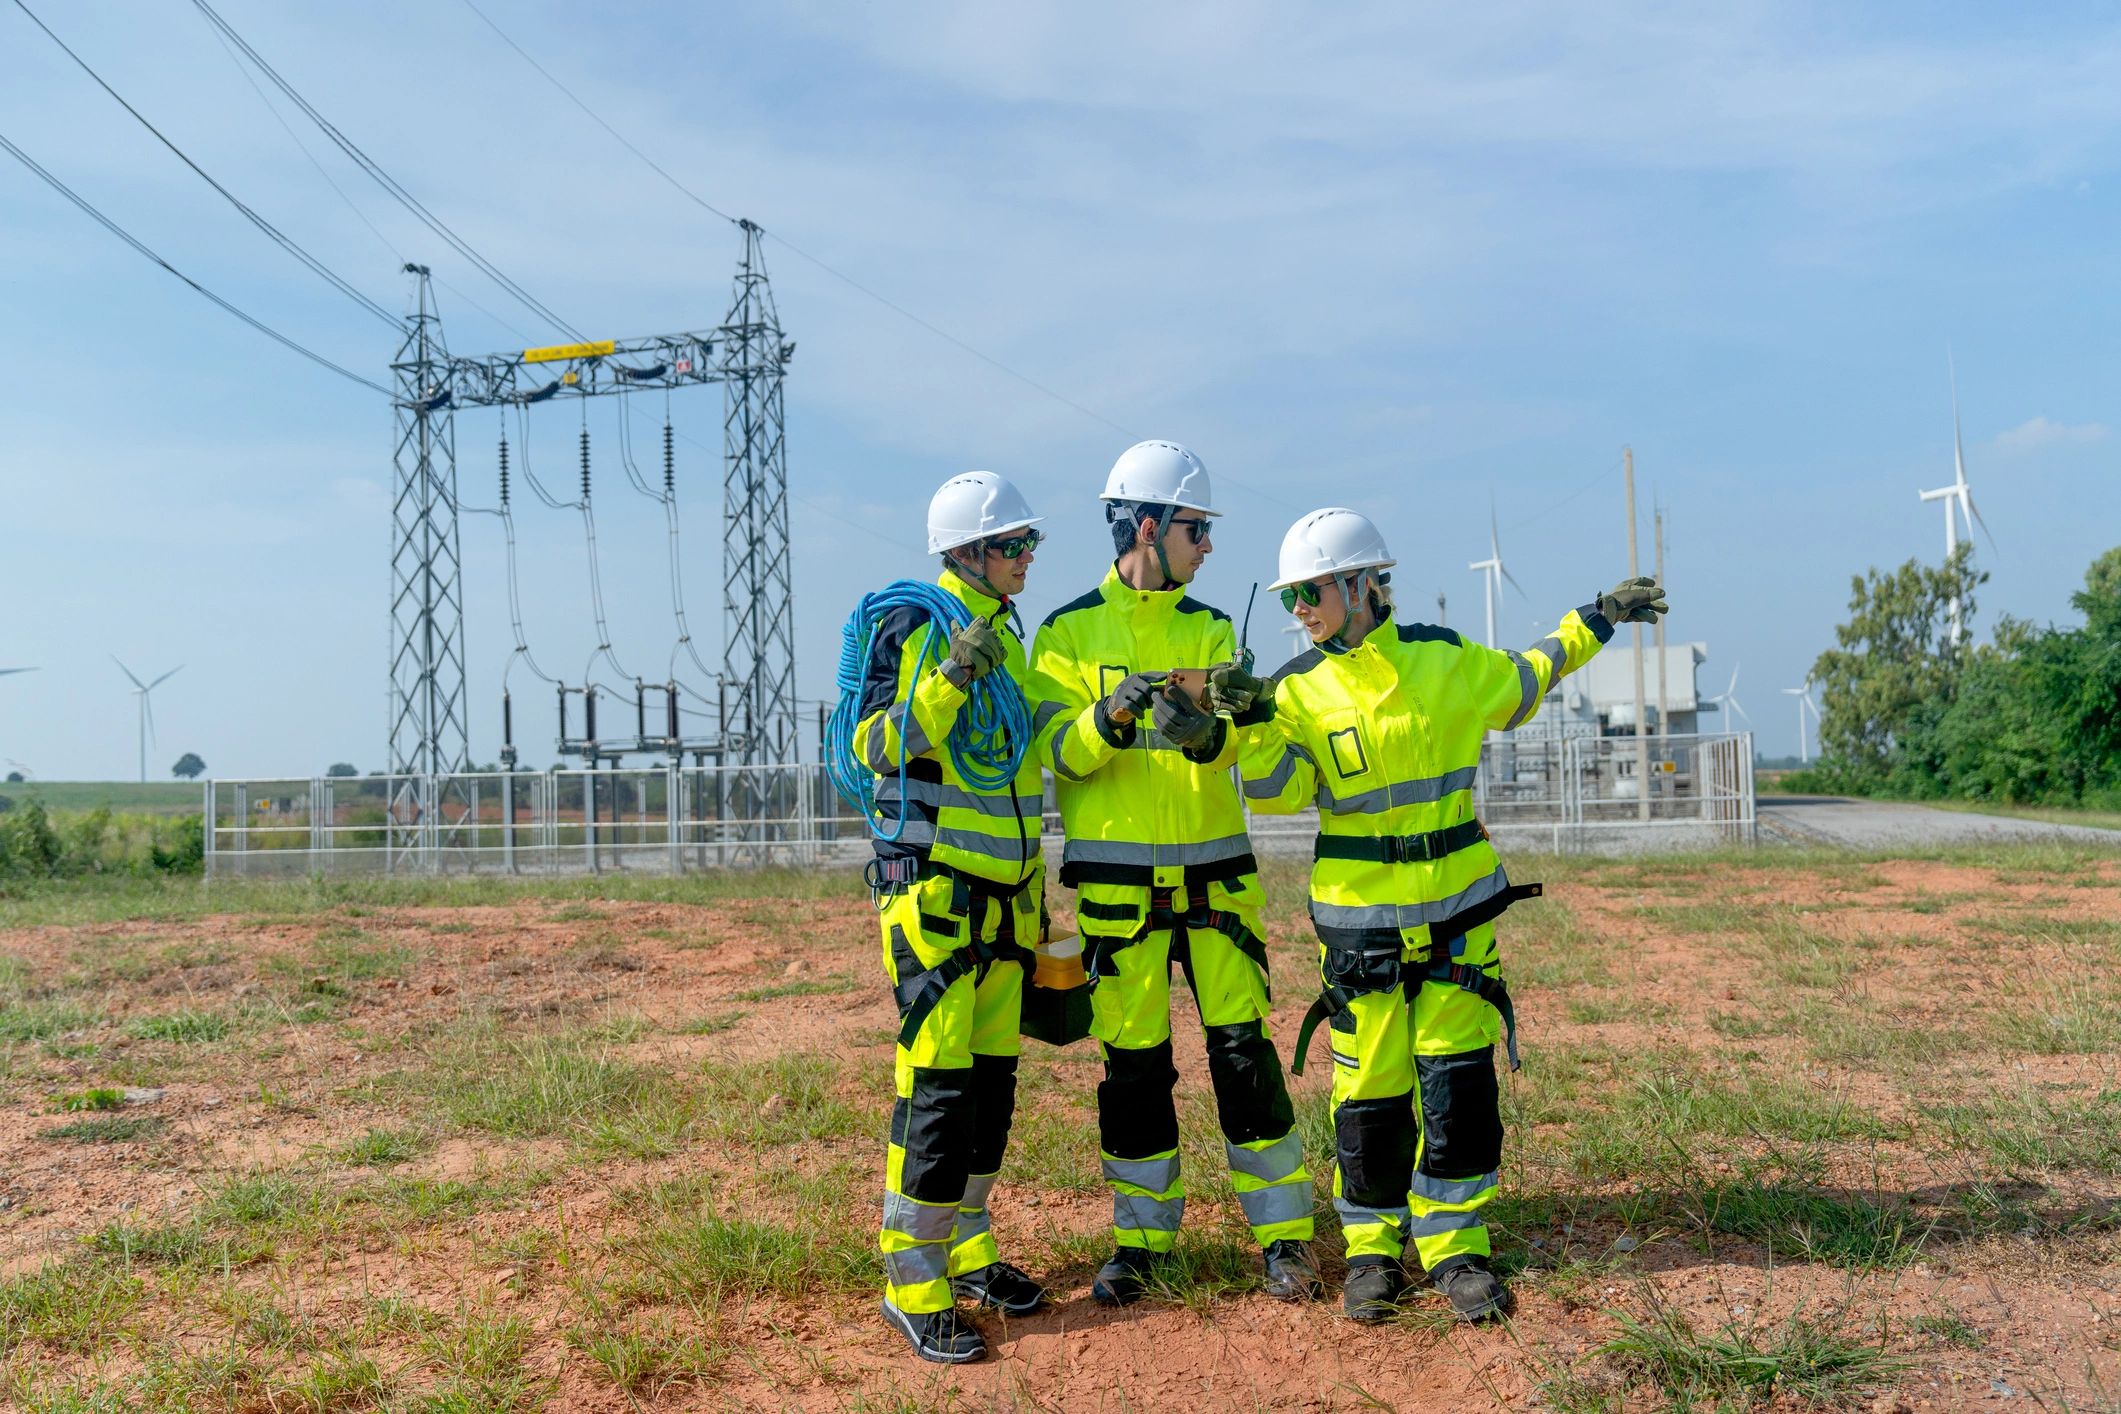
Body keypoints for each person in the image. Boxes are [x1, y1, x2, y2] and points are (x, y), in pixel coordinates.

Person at [1232, 506, 1665, 1323]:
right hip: (1360, 935)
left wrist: (1597, 618)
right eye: (1292, 596)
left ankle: (1454, 1245)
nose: (1300, 609)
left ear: (1363, 585)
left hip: (1459, 923)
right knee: (1369, 1096)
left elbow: (1529, 676)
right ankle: (1370, 1251)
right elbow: (1274, 790)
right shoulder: (1292, 690)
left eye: (1312, 591)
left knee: (1458, 1084)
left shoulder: (1443, 659)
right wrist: (1247, 725)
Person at [1030, 441, 1318, 1308]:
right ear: (1149, 528)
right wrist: (1106, 717)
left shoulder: (1213, 629)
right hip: (1119, 899)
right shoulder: (1066, 633)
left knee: (1244, 1060)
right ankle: (1142, 1243)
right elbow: (1056, 755)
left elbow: (1236, 742)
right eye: (1197, 528)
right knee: (1134, 1071)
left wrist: (1211, 735)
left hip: (1218, 887)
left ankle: (1284, 1239)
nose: (1208, 546)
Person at [858, 471, 1053, 1363]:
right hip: (937, 899)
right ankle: (915, 1286)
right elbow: (876, 746)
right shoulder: (914, 622)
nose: (1025, 557)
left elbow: (1026, 758)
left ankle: (969, 1255)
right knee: (935, 1098)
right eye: (1012, 544)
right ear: (967, 551)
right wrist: (946, 678)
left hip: (1005, 904)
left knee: (988, 1096)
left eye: (1027, 544)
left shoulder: (1008, 643)